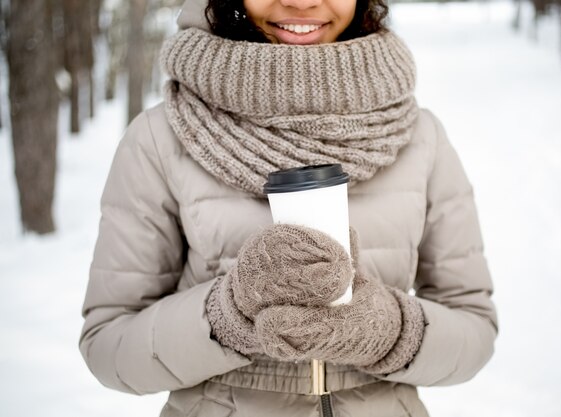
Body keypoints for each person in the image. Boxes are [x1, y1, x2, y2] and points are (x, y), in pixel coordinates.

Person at [79, 0, 498, 416]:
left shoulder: (421, 137)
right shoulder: (160, 138)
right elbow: (108, 345)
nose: (301, 1)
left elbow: (474, 329)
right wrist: (230, 313)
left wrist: (391, 331)